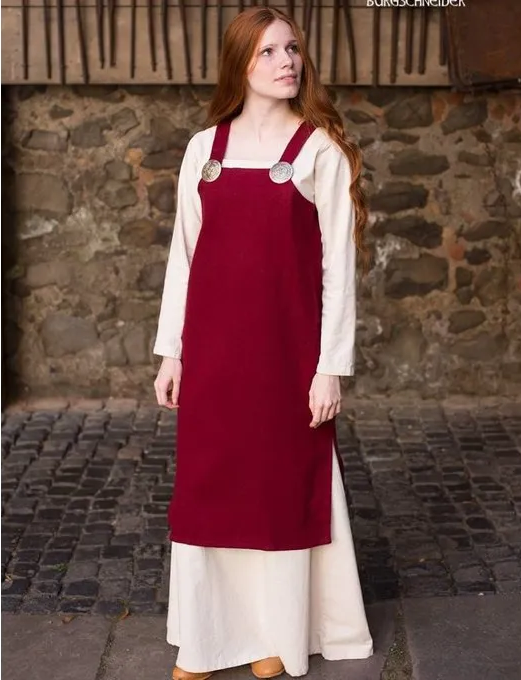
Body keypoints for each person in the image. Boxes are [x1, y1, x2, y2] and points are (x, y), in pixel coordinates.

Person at [152, 6, 373, 680]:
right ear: (240, 64)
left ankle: (275, 633)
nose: (286, 62)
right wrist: (171, 351)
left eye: (293, 49)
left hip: (286, 356)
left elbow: (338, 270)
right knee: (209, 488)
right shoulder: (204, 149)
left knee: (277, 489)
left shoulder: (318, 151)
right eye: (269, 52)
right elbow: (183, 256)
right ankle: (206, 639)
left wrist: (330, 368)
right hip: (213, 354)